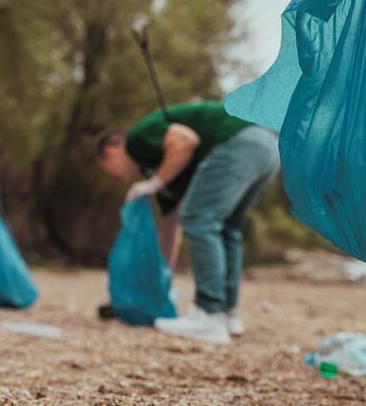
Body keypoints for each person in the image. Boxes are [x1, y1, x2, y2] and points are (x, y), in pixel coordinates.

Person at [95, 101, 279, 345]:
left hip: (239, 142)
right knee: (226, 228)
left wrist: (154, 183)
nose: (113, 176)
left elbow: (185, 140)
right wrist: (161, 278)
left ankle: (209, 315)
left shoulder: (137, 140)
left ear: (111, 150)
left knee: (200, 218)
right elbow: (171, 227)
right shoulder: (164, 170)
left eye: (107, 168)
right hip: (268, 147)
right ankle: (227, 313)